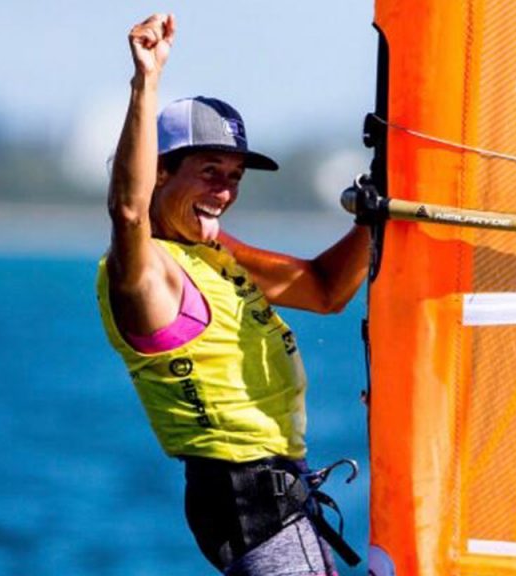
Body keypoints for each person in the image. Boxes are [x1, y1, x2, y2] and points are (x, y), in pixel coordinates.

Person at [94, 12, 370, 576]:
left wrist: (378, 213)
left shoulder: (215, 253)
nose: (224, 191)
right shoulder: (142, 272)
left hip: (282, 496)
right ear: (160, 173)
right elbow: (128, 210)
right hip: (244, 501)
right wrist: (146, 79)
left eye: (235, 176)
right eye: (210, 171)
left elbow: (324, 290)